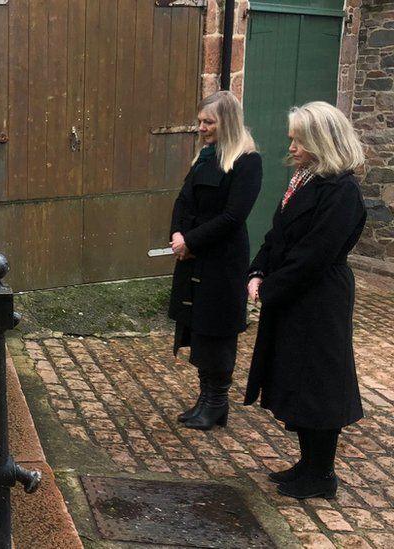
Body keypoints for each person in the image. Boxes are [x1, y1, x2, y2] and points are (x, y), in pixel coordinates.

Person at [244, 101, 366, 500]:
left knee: (320, 384)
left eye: (299, 139)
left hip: (319, 300)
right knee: (296, 378)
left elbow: (315, 253)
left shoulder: (341, 190)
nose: (291, 146)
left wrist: (271, 289)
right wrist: (258, 271)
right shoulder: (305, 178)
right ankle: (308, 464)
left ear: (322, 141)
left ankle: (322, 474)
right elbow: (277, 235)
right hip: (295, 295)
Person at [168, 91, 262, 431]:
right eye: (200, 121)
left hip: (222, 261)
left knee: (217, 331)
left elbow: (233, 216)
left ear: (229, 123)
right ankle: (205, 398)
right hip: (194, 258)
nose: (202, 128)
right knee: (199, 327)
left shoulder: (248, 162)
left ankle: (217, 401)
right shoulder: (205, 156)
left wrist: (191, 242)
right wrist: (178, 236)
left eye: (209, 122)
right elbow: (183, 199)